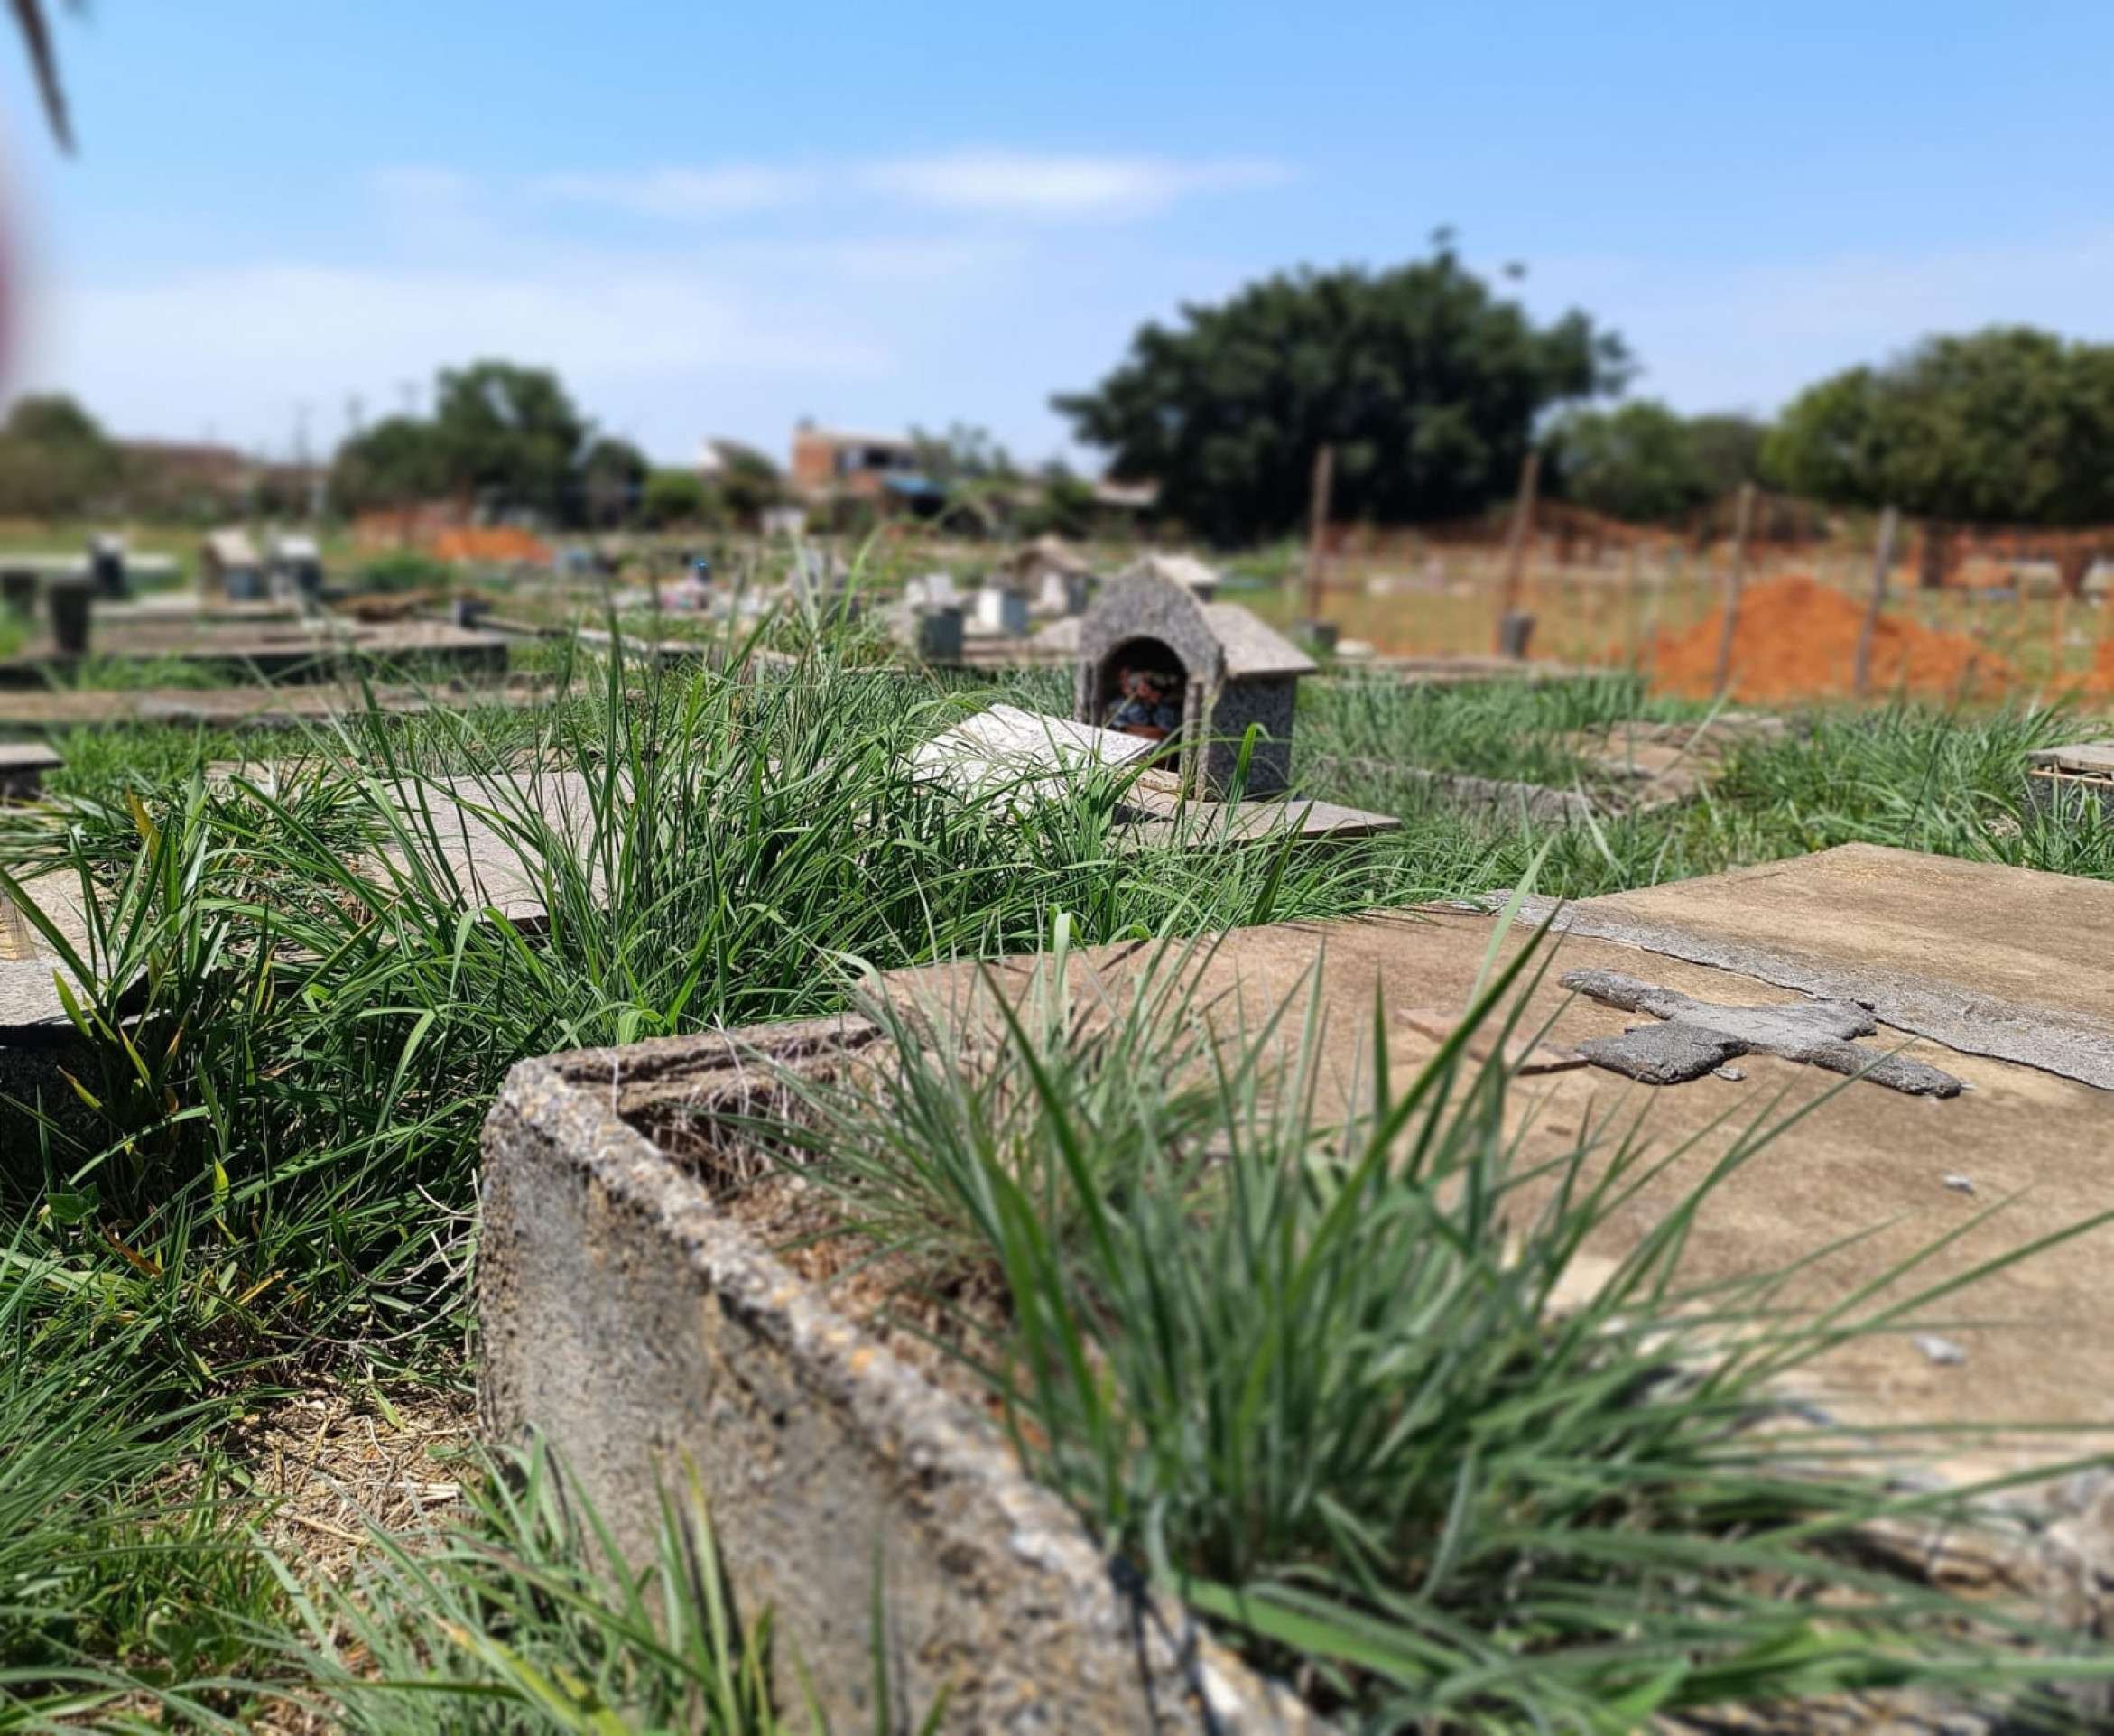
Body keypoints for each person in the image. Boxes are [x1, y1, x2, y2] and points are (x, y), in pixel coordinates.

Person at [1107, 665, 1182, 740]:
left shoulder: (1162, 703)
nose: (1126, 682)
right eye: (1123, 678)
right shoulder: (1118, 704)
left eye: (1131, 677)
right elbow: (1121, 729)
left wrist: (1154, 701)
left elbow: (1169, 729)